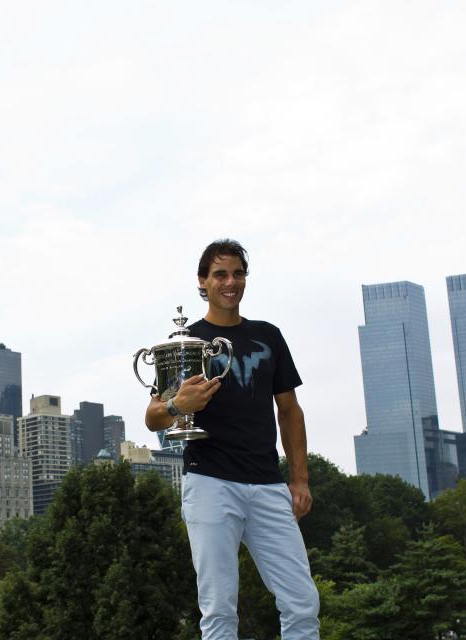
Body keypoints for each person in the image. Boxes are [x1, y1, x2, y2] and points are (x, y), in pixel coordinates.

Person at [144, 239, 320, 640]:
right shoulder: (186, 343)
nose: (230, 282)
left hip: (267, 484)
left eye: (238, 273)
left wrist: (301, 479)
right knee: (220, 609)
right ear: (202, 282)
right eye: (220, 274)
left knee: (302, 603)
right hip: (210, 483)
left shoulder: (268, 337)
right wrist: (178, 404)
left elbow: (290, 411)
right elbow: (153, 417)